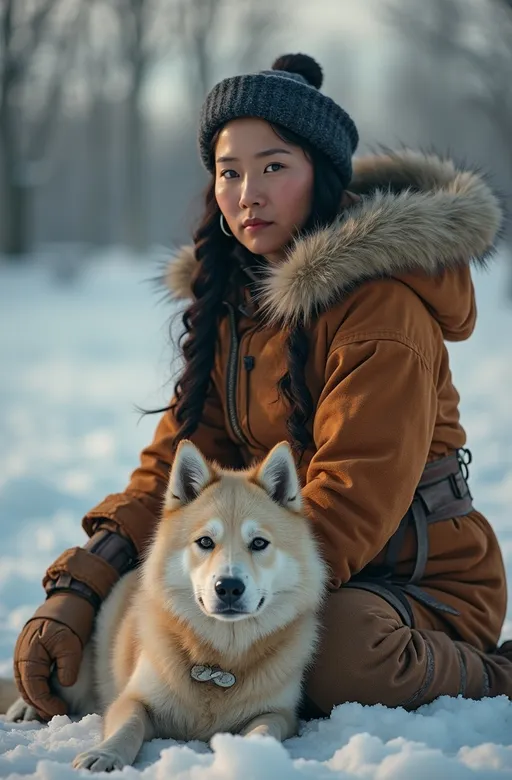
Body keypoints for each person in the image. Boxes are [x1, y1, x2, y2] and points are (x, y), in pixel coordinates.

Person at [12, 53, 512, 724]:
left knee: (335, 656)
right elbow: (175, 468)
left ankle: (498, 676)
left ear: (322, 177)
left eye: (274, 167)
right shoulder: (235, 303)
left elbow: (354, 497)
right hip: (276, 563)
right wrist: (88, 580)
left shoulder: (384, 310)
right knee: (130, 613)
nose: (249, 192)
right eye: (229, 171)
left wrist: (227, 615)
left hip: (416, 578)